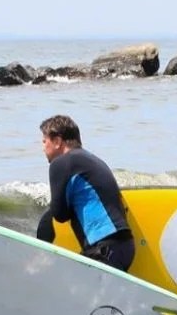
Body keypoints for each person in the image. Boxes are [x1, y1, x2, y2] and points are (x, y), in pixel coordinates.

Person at [35, 114, 134, 271]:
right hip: (124, 245)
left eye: (44, 141)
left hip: (104, 248)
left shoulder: (61, 163)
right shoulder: (94, 160)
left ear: (57, 141)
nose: (42, 147)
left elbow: (59, 214)